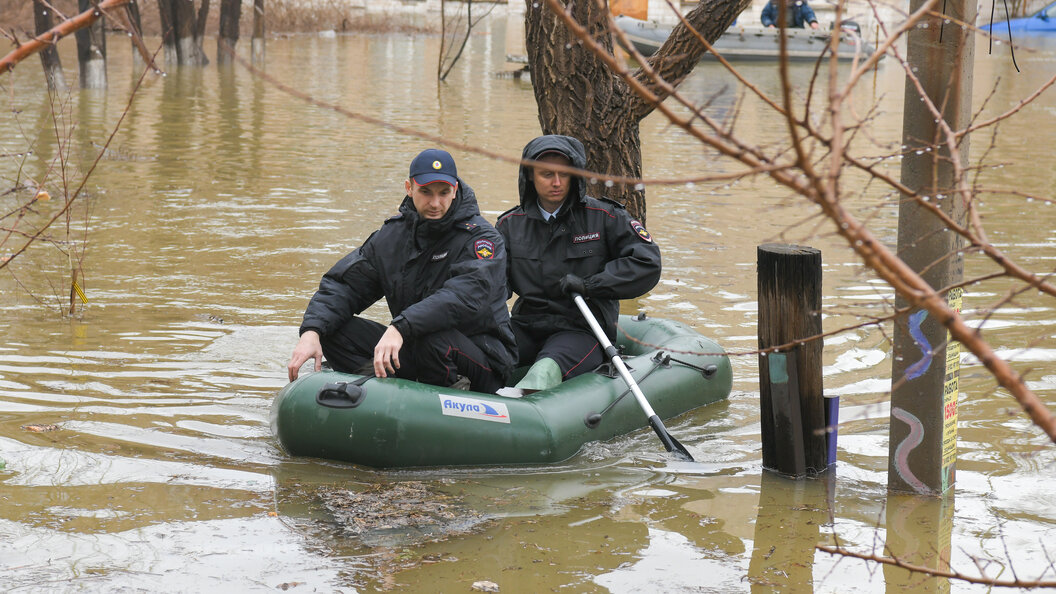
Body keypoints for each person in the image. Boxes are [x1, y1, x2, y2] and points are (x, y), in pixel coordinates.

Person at [287, 148, 516, 394]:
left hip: (480, 355)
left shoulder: (482, 239)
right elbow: (346, 285)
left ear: (455, 190)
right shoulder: (392, 236)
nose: (435, 203)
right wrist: (312, 331)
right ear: (409, 188)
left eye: (444, 193)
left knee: (435, 340)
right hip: (415, 343)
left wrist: (400, 327)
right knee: (333, 330)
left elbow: (464, 296)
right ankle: (379, 394)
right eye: (425, 192)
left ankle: (455, 398)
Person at [495, 135, 662, 391]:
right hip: (527, 325)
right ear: (530, 175)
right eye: (547, 174)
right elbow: (494, 284)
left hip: (582, 329)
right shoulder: (509, 225)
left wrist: (590, 285)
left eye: (565, 173)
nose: (557, 182)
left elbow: (646, 263)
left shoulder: (605, 217)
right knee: (484, 354)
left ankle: (521, 414)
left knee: (545, 370)